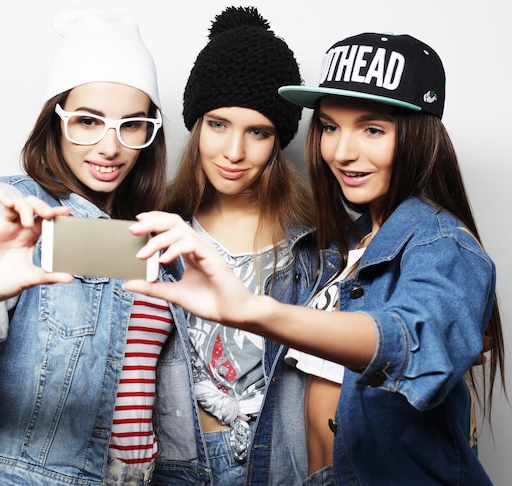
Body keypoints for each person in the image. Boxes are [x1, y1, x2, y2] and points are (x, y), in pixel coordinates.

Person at [125, 31, 506, 485]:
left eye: (372, 129)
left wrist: (254, 310)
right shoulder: (346, 249)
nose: (341, 152)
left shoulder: (438, 241)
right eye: (329, 127)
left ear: (419, 135)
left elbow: (413, 338)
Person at [0, 7, 180, 485]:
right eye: (87, 120)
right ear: (56, 120)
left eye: (132, 125)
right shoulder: (22, 209)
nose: (109, 146)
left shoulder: (161, 231)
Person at [150, 6, 317, 485]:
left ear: (278, 139)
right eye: (219, 124)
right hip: (178, 465)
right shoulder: (157, 233)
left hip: (284, 464)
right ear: (196, 124)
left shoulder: (316, 246)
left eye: (258, 132)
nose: (234, 152)